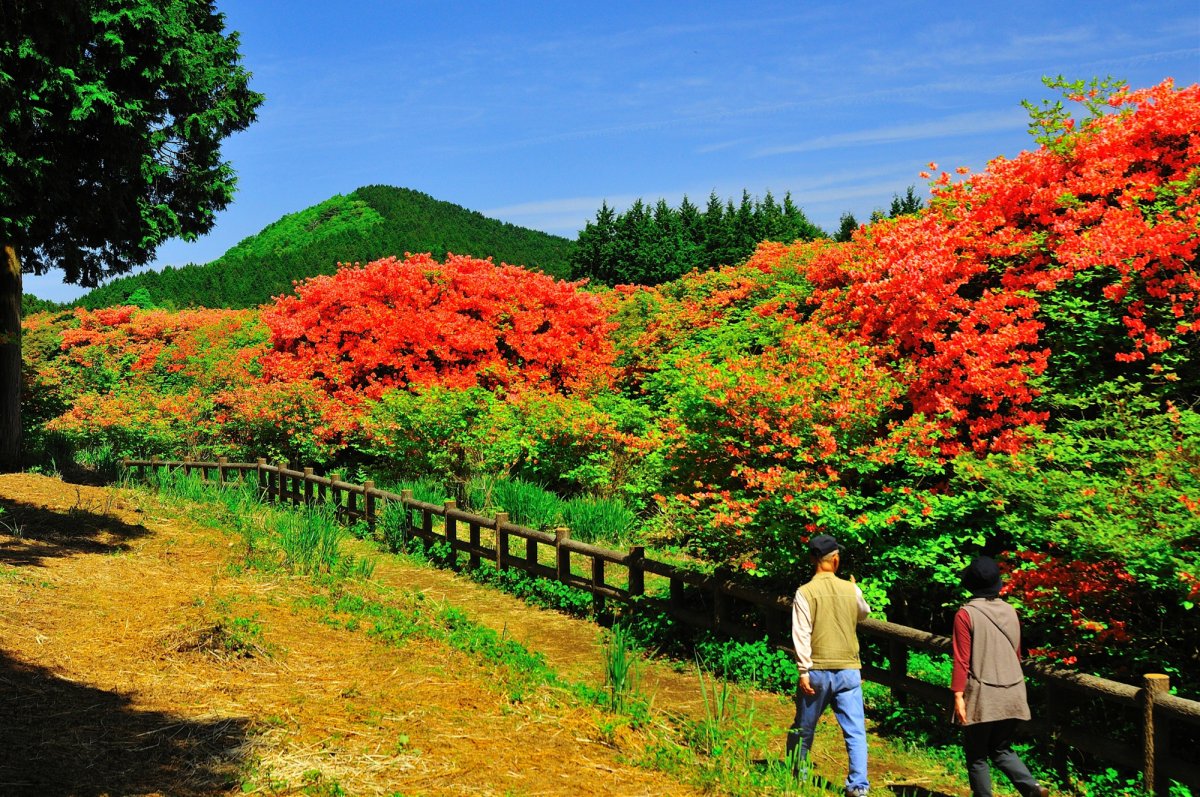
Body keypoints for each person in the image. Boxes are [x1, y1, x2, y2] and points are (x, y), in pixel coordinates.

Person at [951, 555, 1050, 797]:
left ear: (970, 584)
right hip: (1014, 691)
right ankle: (1033, 789)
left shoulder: (965, 615)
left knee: (976, 755)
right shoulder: (1011, 611)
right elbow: (1015, 653)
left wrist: (958, 695)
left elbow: (962, 660)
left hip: (984, 694)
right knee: (1001, 748)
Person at [788, 533, 871, 797]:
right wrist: (854, 589)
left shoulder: (805, 593)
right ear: (835, 560)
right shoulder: (851, 589)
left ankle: (797, 774)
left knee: (804, 726)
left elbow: (801, 633)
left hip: (817, 670)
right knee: (855, 730)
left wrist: (803, 670)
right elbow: (864, 613)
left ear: (813, 560)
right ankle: (858, 786)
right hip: (849, 670)